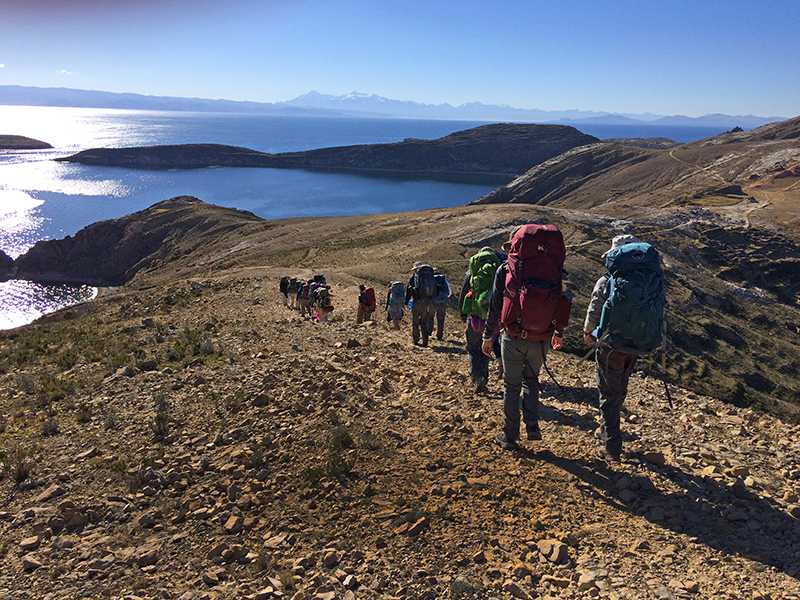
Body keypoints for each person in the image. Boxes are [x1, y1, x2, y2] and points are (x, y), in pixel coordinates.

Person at [482, 225, 569, 450]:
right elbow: (560, 300)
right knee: (531, 380)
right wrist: (558, 332)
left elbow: (495, 306)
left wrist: (488, 335)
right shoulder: (553, 269)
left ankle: (509, 435)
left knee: (511, 386)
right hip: (542, 338)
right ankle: (532, 427)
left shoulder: (505, 270)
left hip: (513, 336)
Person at [584, 234, 665, 462]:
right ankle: (607, 434)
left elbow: (594, 309)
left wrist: (588, 332)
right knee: (619, 388)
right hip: (639, 341)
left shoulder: (607, 280)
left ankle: (612, 447)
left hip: (611, 344)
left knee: (607, 393)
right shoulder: (651, 279)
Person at [459, 247, 504, 393]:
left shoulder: (472, 273)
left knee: (472, 348)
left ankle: (478, 376)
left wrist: (462, 314)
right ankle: (484, 374)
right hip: (494, 321)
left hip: (475, 318)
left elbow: (463, 294)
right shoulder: (501, 271)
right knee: (487, 348)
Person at [405, 262, 437, 346]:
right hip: (427, 302)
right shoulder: (429, 277)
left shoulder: (413, 278)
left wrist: (406, 302)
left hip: (417, 302)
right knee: (424, 322)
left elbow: (409, 291)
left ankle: (416, 340)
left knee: (415, 322)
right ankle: (425, 340)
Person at [432, 270, 451, 341]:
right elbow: (449, 292)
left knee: (430, 317)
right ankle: (439, 335)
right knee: (441, 319)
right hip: (442, 303)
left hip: (433, 302)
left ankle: (429, 332)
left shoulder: (431, 280)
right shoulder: (444, 280)